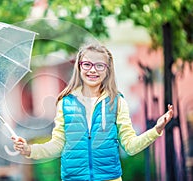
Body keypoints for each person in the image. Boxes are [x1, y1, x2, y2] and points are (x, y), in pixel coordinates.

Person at [12, 43, 173, 181]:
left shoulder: (116, 102)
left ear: (107, 70)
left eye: (99, 65)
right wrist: (29, 150)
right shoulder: (66, 103)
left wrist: (156, 130)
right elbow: (57, 144)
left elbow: (130, 146)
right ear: (79, 67)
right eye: (87, 64)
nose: (93, 70)